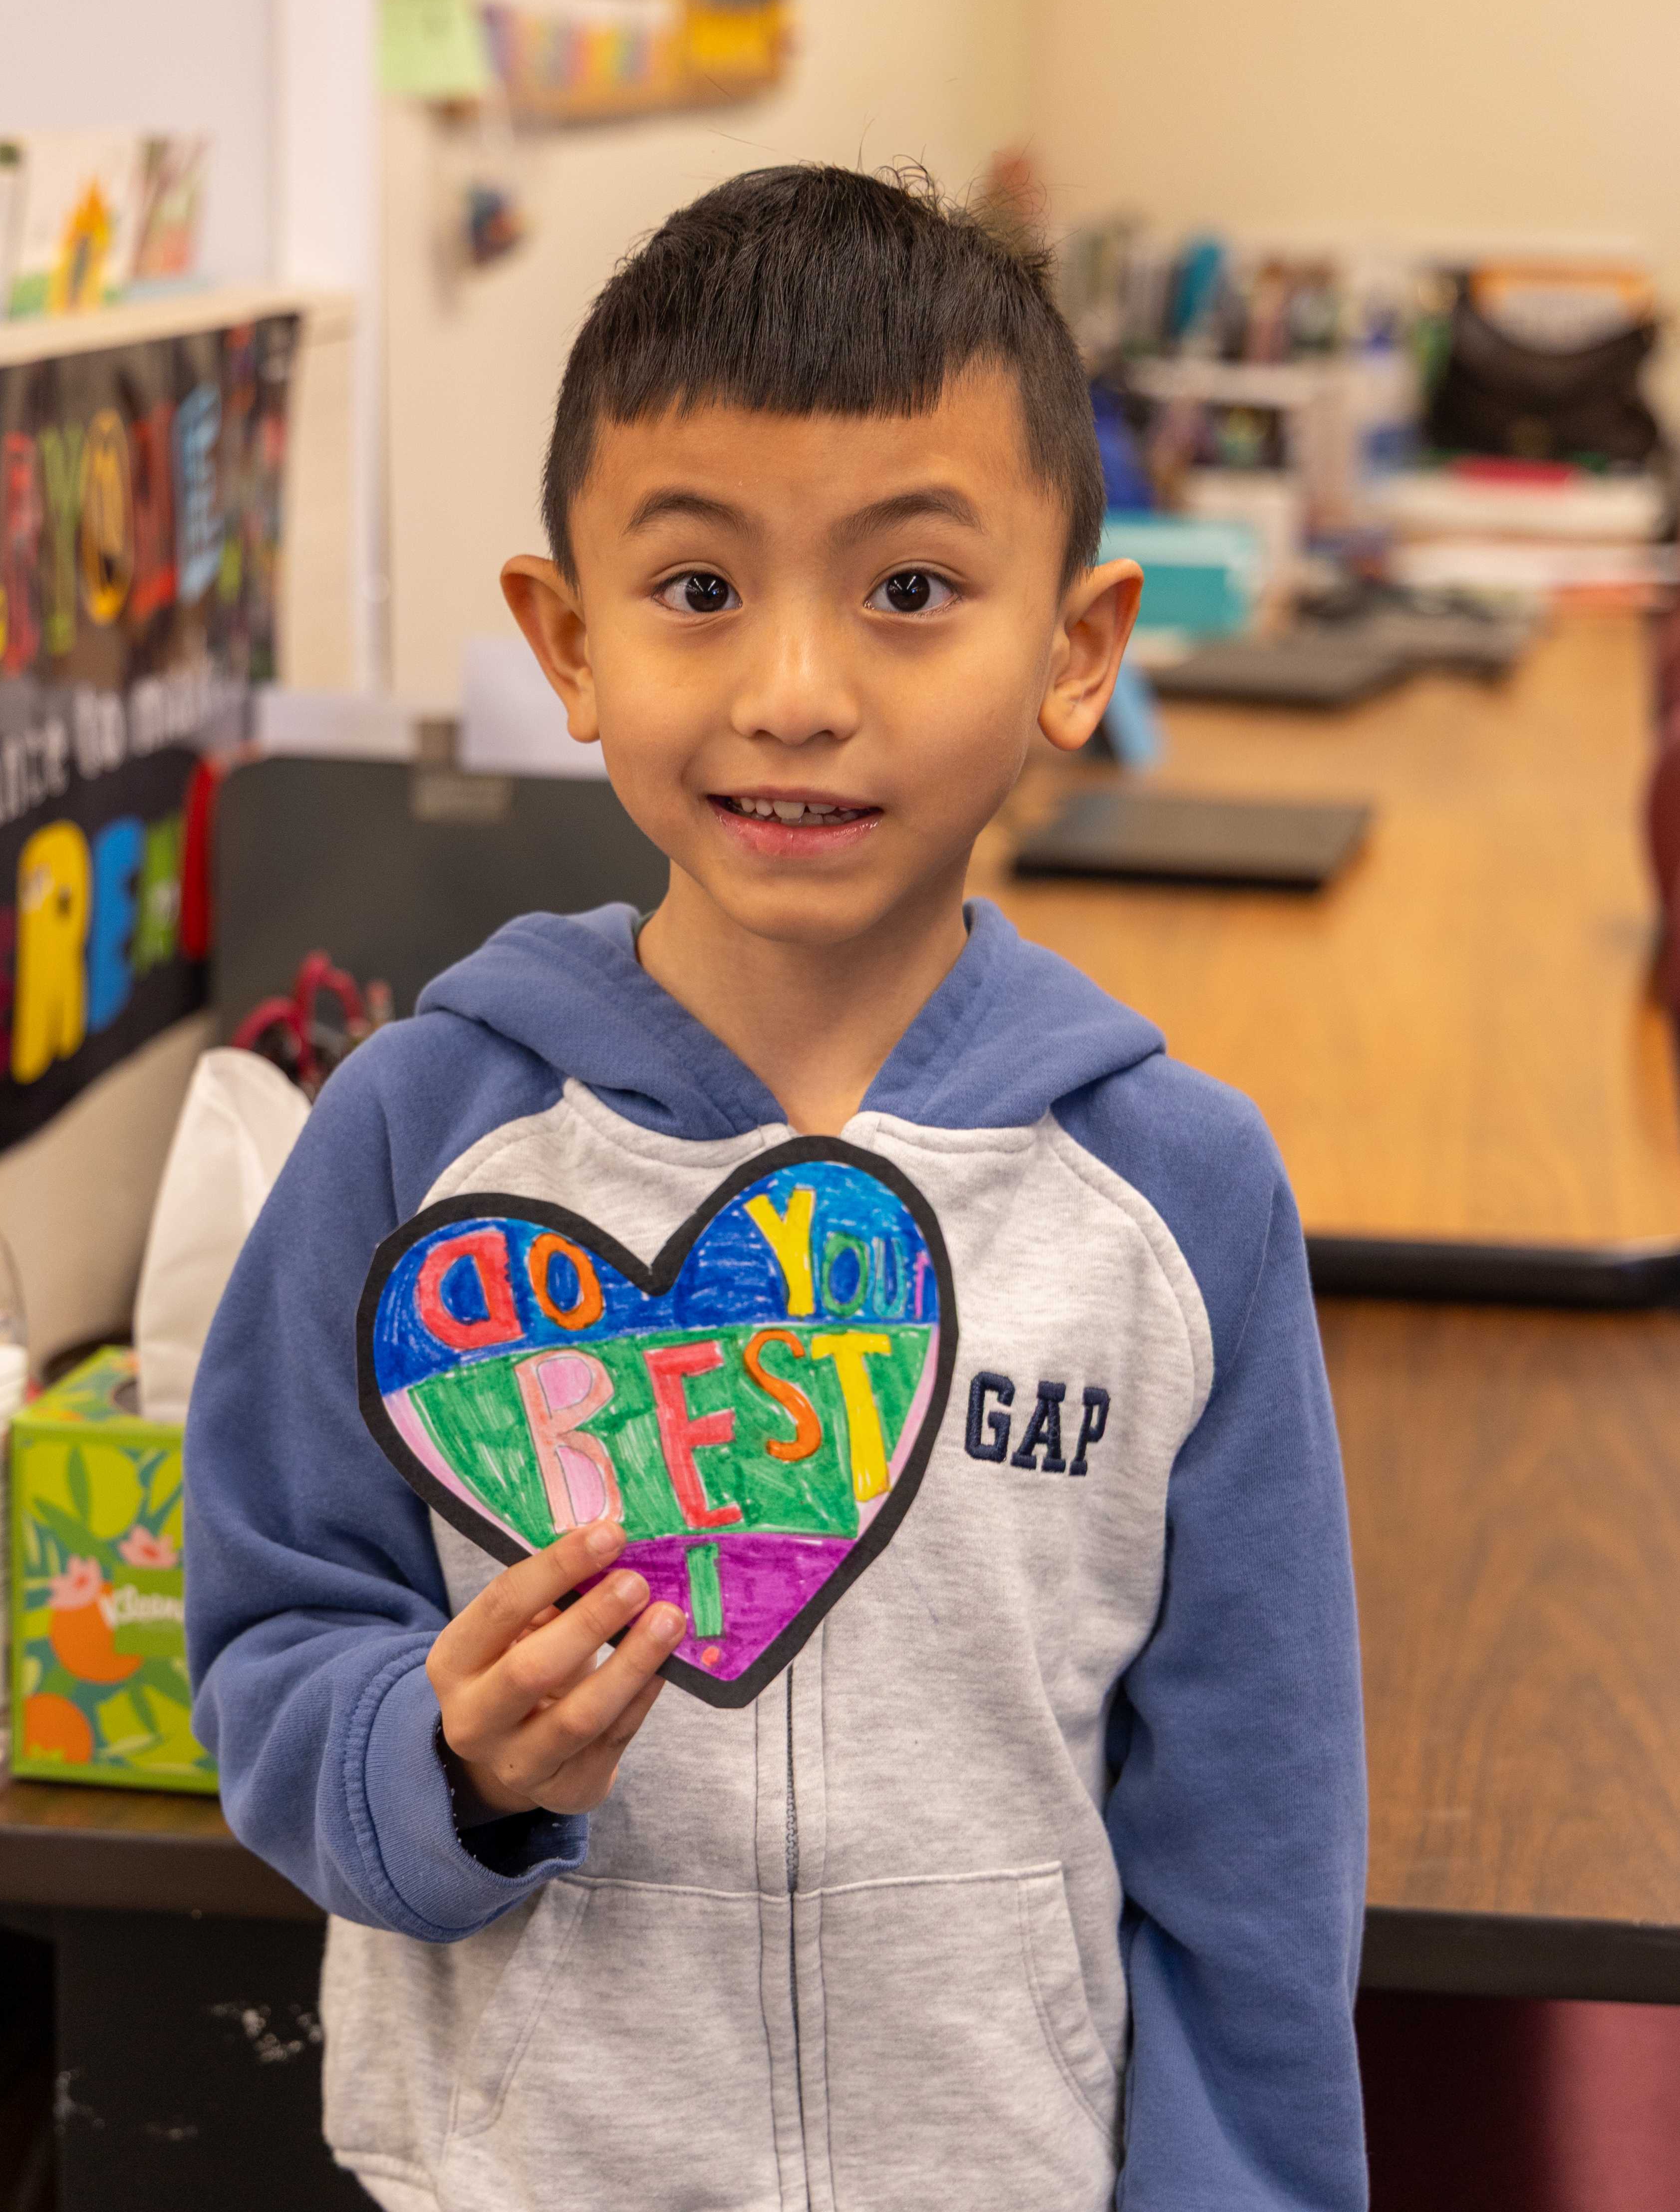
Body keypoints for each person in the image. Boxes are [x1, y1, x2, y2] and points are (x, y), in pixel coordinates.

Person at [186, 164, 1367, 2212]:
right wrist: (443, 1761)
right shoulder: (410, 1136)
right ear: (568, 642)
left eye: (908, 588)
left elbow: (1254, 1833)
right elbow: (271, 1637)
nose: (795, 690)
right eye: (697, 589)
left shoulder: (1177, 1195)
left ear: (1077, 648)